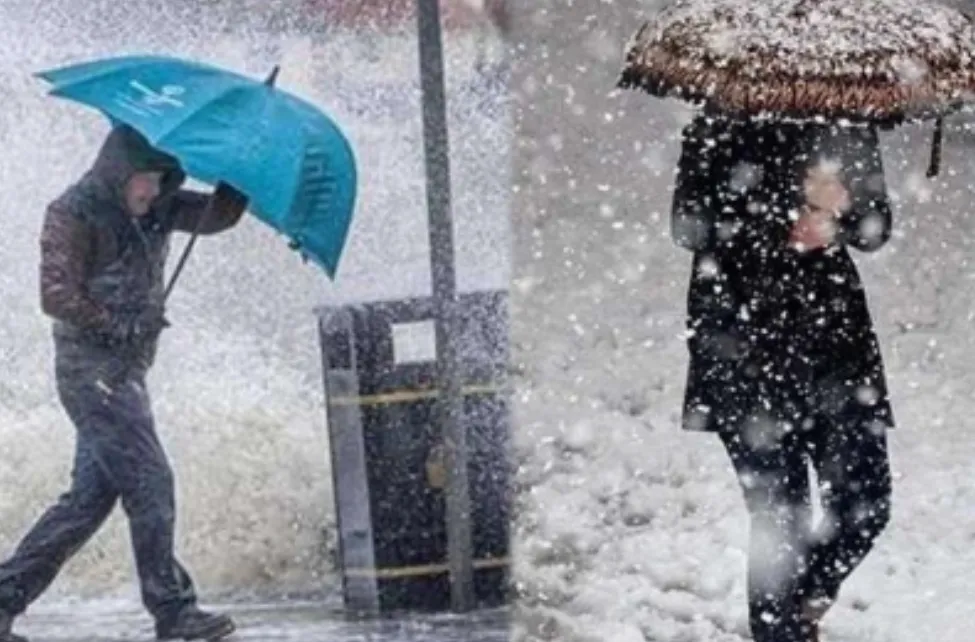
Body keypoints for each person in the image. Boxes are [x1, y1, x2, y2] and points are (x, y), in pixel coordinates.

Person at [0, 124, 248, 642]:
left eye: (163, 181)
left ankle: (3, 598)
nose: (153, 193)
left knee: (87, 501)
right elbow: (56, 295)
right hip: (91, 373)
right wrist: (117, 323)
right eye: (146, 181)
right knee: (151, 481)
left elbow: (217, 216)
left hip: (126, 374)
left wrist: (238, 175)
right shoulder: (72, 212)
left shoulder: (160, 206)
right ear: (119, 172)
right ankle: (173, 611)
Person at [671, 114, 894, 642]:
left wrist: (840, 212)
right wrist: (788, 208)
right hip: (744, 349)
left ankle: (801, 608)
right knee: (782, 521)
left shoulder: (845, 119)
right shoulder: (717, 123)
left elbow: (877, 226)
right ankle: (783, 629)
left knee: (867, 503)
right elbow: (690, 226)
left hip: (836, 351)